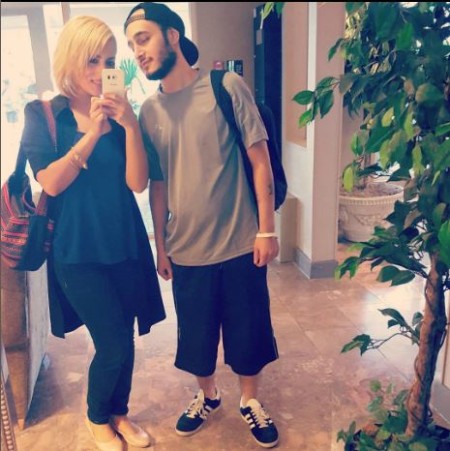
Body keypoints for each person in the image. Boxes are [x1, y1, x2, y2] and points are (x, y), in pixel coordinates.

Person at [124, 3, 280, 448]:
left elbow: (259, 160)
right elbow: (157, 184)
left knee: (248, 333)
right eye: (132, 44)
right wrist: (161, 245)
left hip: (240, 242)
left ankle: (250, 400)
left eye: (144, 38)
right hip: (186, 248)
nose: (138, 52)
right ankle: (208, 395)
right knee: (196, 336)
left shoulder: (225, 86)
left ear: (173, 36)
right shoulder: (149, 111)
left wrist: (266, 229)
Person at [20, 15, 166, 451]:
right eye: (92, 60)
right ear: (71, 58)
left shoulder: (122, 116)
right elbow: (50, 182)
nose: (102, 70)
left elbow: (137, 183)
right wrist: (92, 134)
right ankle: (96, 416)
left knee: (126, 335)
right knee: (112, 342)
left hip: (125, 243)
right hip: (76, 251)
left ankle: (119, 413)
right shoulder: (44, 115)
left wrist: (130, 126)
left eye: (109, 61)